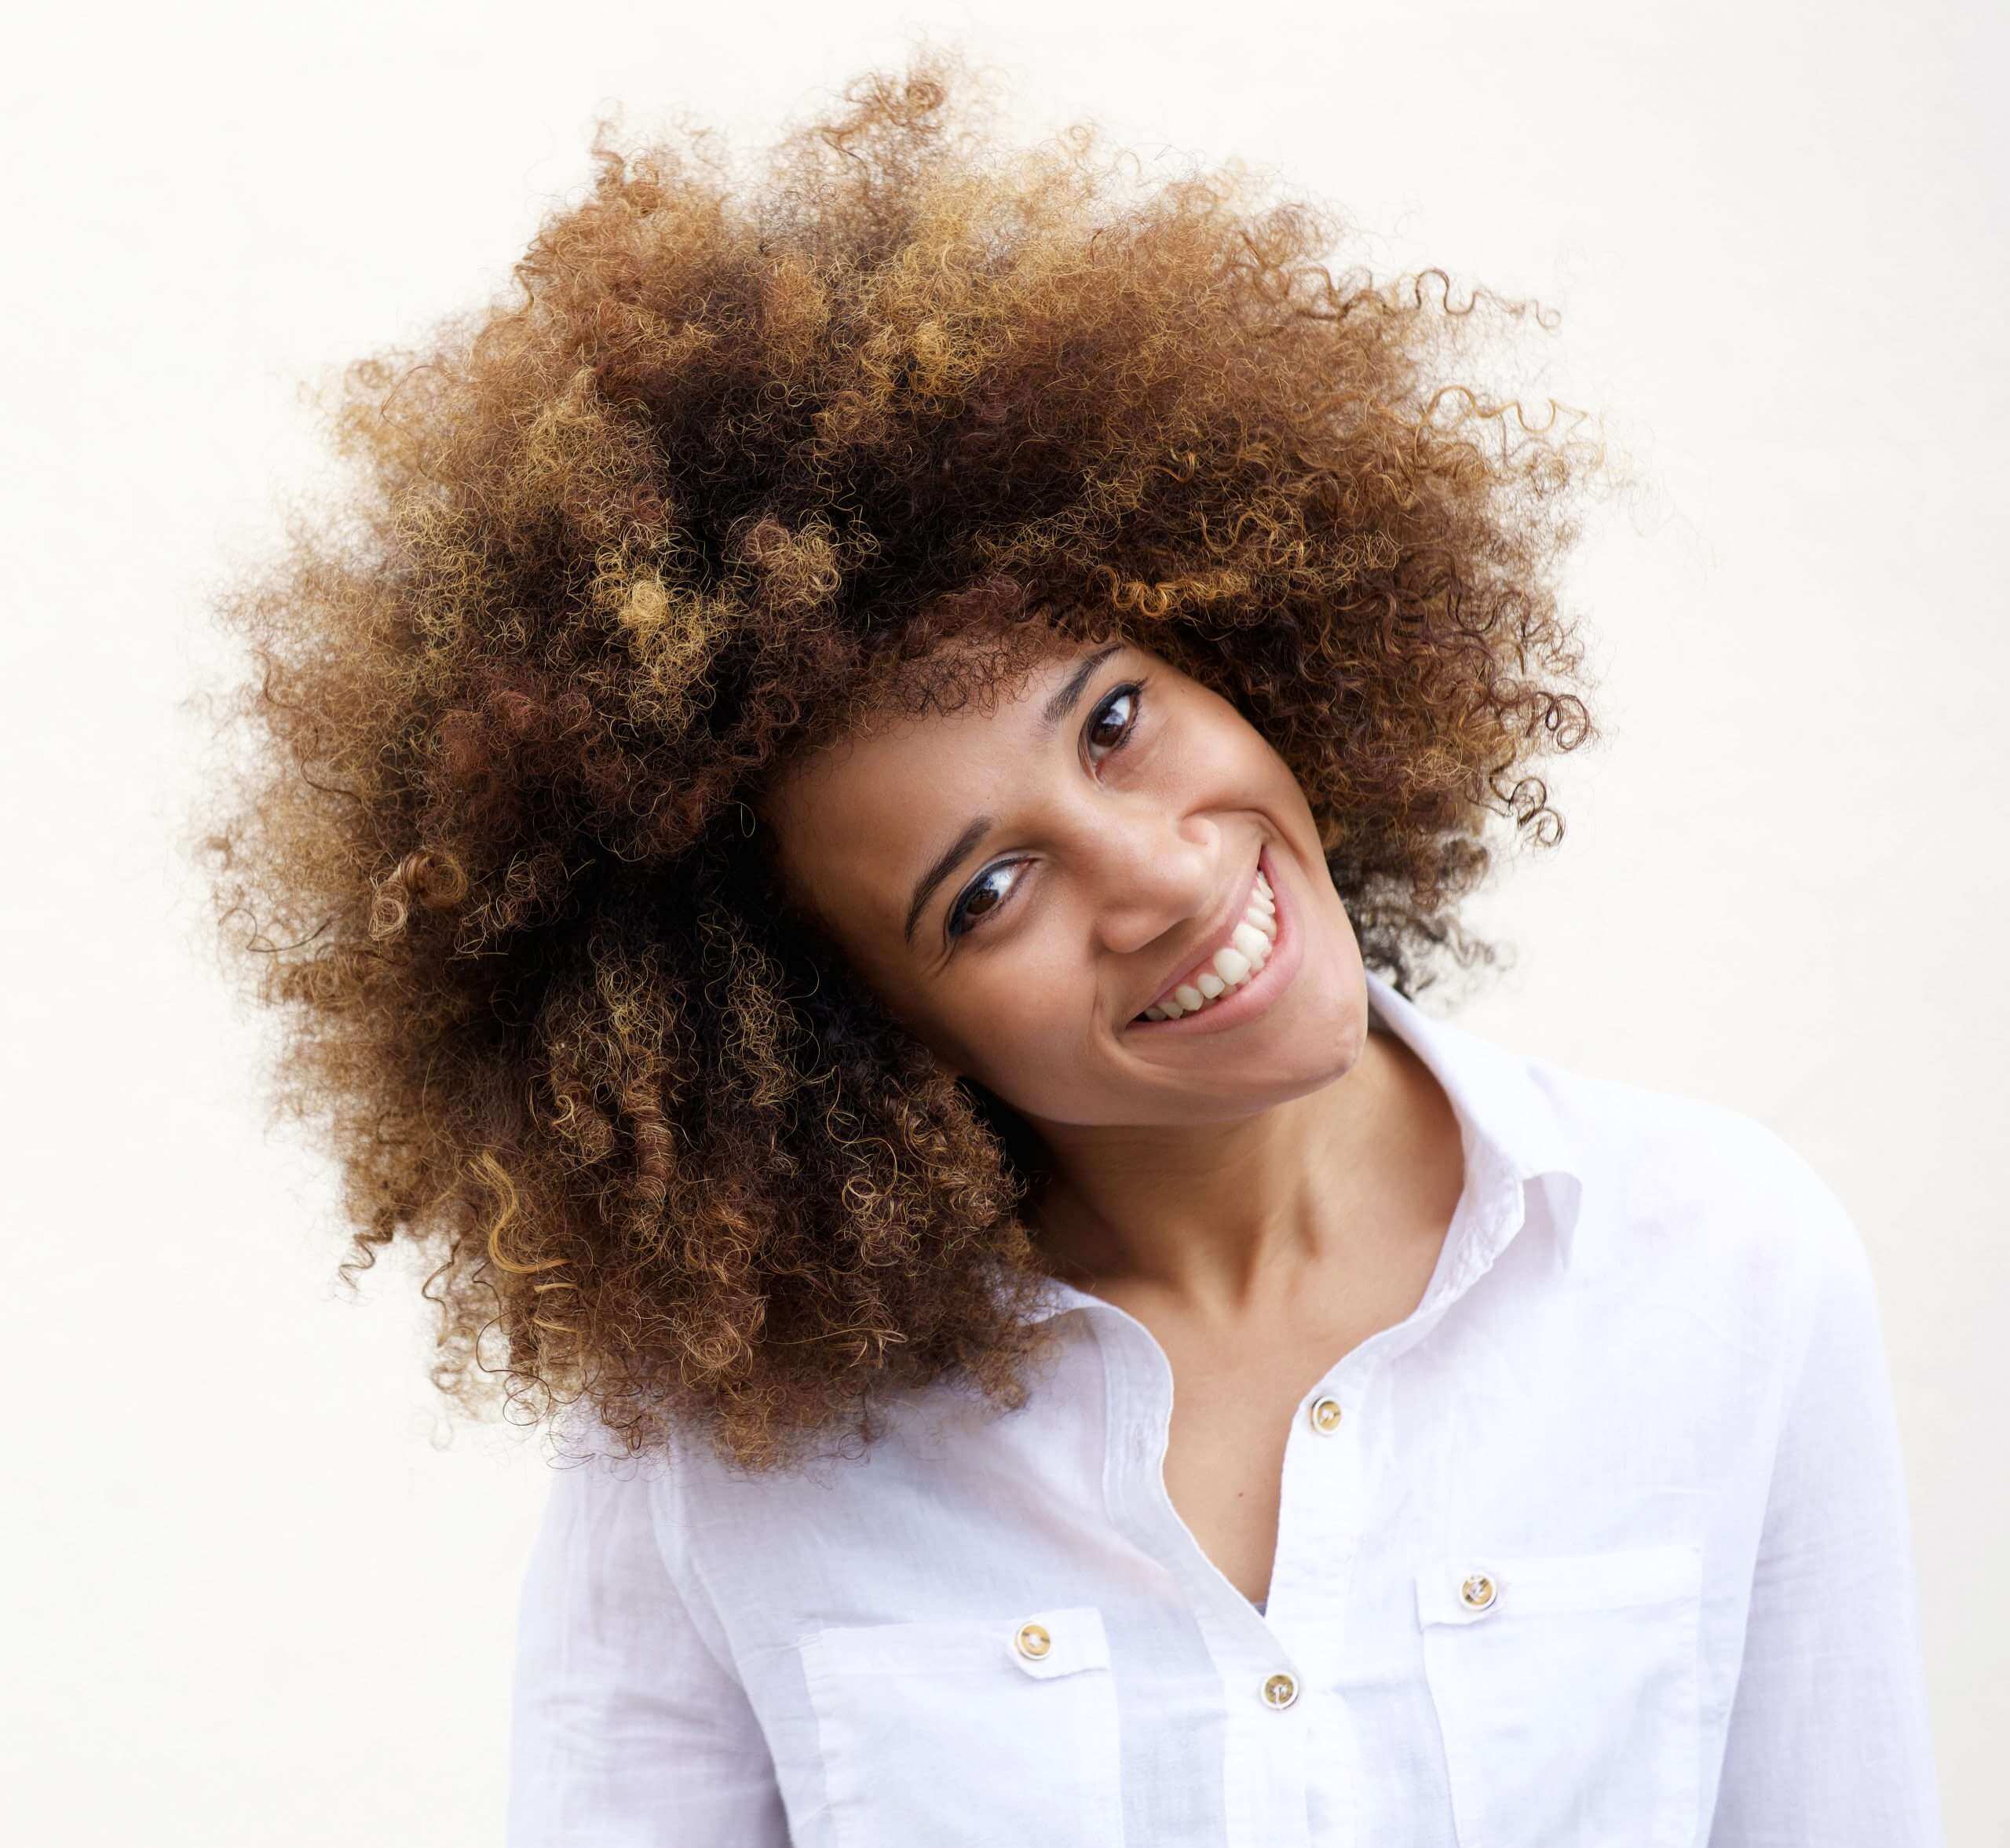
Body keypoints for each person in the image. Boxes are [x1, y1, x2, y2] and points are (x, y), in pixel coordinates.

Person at [194, 49, 1942, 1847]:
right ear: (839, 1035)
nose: (1161, 875)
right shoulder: (717, 1464)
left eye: (1111, 719)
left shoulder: (1717, 1270)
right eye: (983, 891)